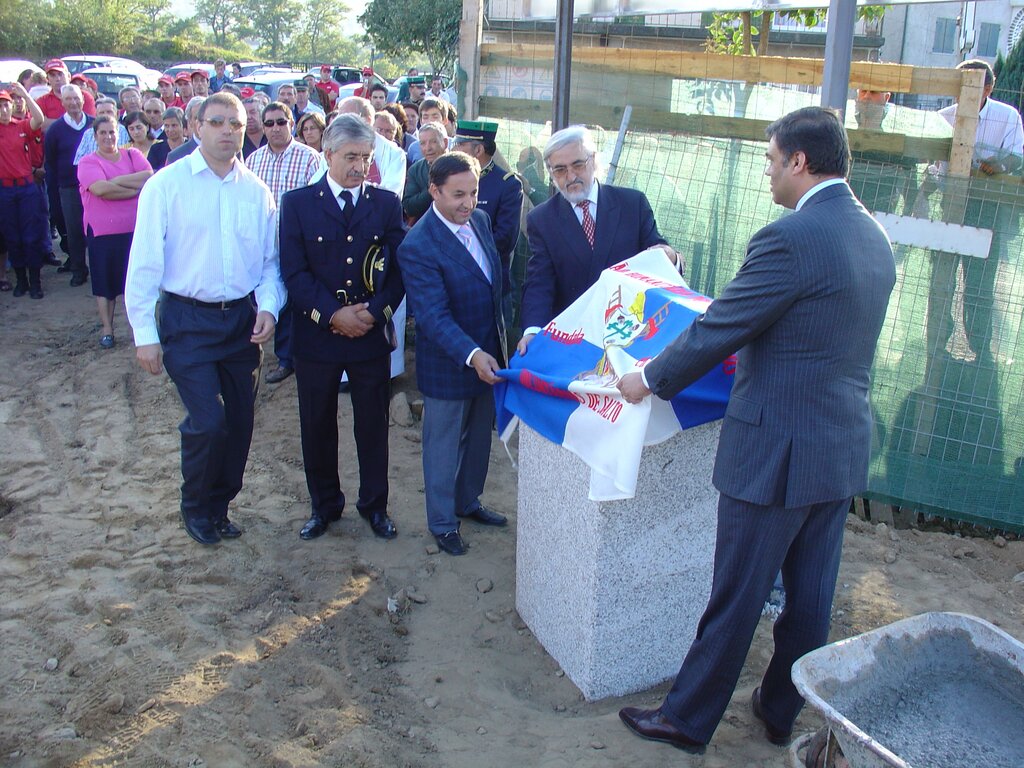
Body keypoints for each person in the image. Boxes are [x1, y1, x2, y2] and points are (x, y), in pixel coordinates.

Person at [614, 107, 896, 754]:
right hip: (839, 446)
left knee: (736, 593)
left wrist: (648, 378)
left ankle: (687, 720)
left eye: (772, 159)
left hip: (776, 450)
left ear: (799, 162)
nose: (767, 171)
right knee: (810, 599)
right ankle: (777, 707)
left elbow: (723, 326)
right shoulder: (871, 233)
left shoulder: (791, 237)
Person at [124, 92, 286, 546]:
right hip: (186, 322)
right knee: (208, 422)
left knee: (238, 424)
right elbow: (143, 265)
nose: (227, 131)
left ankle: (220, 506)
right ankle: (194, 506)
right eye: (217, 122)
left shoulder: (257, 192)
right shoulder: (166, 186)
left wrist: (270, 306)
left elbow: (271, 263)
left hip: (239, 323)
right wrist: (145, 335)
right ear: (197, 127)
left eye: (235, 124)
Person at [279, 114, 406, 541]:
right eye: (351, 157)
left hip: (369, 334)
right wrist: (332, 316)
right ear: (327, 154)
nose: (359, 166)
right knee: (316, 424)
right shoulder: (297, 204)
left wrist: (375, 312)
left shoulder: (385, 204)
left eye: (366, 158)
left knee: (372, 425)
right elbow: (293, 273)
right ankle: (324, 506)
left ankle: (375, 506)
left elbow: (399, 271)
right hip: (317, 337)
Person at [397, 152, 509, 556]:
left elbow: (495, 284)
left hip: (489, 357)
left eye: (473, 192)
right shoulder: (418, 244)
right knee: (443, 444)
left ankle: (468, 501)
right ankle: (443, 522)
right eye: (457, 194)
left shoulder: (479, 221)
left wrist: (495, 346)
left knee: (479, 437)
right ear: (433, 191)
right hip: (450, 361)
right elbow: (432, 316)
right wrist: (473, 353)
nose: (467, 202)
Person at [517, 125, 677, 353]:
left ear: (594, 160)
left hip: (632, 335)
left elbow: (658, 255)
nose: (571, 177)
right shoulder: (542, 220)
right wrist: (533, 331)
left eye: (578, 165)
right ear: (550, 174)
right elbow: (539, 282)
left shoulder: (632, 204)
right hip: (576, 339)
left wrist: (669, 255)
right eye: (560, 170)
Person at [925, 59, 1023, 367]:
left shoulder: (1007, 116)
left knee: (980, 280)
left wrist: (997, 165)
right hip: (950, 205)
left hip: (986, 209)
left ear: (988, 88)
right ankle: (937, 342)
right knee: (941, 277)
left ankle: (980, 348)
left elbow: (1016, 156)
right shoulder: (942, 117)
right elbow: (931, 164)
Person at [246, 101, 324, 385]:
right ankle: (268, 351)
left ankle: (289, 358)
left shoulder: (310, 158)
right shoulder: (253, 161)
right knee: (264, 297)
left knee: (295, 299)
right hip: (263, 241)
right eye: (269, 123)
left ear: (292, 124)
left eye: (281, 122)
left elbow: (316, 203)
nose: (275, 128)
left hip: (297, 242)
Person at [78, 115, 153, 347]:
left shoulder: (133, 155)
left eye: (112, 132)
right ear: (95, 135)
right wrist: (132, 190)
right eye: (103, 133)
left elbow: (149, 177)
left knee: (137, 281)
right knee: (105, 284)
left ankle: (139, 329)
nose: (109, 137)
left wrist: (116, 179)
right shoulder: (88, 162)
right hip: (103, 233)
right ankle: (108, 329)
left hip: (135, 230)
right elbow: (100, 189)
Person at [451, 120, 524, 321]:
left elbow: (504, 239)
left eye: (459, 144)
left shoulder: (507, 185)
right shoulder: (450, 179)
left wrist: (458, 250)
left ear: (478, 150)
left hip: (490, 282)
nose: (453, 148)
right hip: (453, 280)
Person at [0, 84, 47, 298]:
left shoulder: (20, 126)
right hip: (5, 190)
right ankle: (21, 280)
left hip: (27, 188)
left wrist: (25, 94)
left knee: (31, 236)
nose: (3, 110)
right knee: (13, 237)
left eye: (6, 105)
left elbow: (39, 119)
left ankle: (35, 282)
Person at [44, 83, 93, 287]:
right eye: (69, 99)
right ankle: (78, 269)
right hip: (69, 187)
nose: (73, 102)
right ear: (62, 102)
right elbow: (51, 162)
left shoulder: (93, 124)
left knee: (96, 229)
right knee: (74, 230)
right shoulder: (55, 130)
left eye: (76, 98)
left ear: (83, 100)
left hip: (95, 186)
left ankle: (97, 269)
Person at [402, 121, 447, 223]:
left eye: (433, 142)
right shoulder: (415, 170)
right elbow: (409, 207)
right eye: (422, 143)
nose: (428, 148)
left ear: (445, 142)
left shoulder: (459, 166)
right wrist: (431, 191)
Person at [37, 59, 96, 129]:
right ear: (47, 79)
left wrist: (51, 123)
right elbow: (39, 126)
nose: (57, 79)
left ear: (68, 76)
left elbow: (89, 124)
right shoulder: (42, 101)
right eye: (53, 75)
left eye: (60, 74)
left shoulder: (85, 97)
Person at [73, 97, 129, 166]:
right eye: (101, 113)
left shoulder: (125, 131)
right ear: (96, 115)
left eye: (109, 112)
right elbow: (78, 161)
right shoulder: (88, 133)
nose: (105, 115)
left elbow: (128, 159)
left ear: (117, 114)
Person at [166, 97, 205, 165]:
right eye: (197, 118)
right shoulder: (176, 156)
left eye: (206, 117)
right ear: (190, 122)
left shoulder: (224, 150)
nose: (202, 122)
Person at [149, 106, 185, 171]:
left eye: (174, 125)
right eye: (166, 126)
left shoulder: (191, 146)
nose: (170, 130)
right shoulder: (156, 149)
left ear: (182, 125)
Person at [242, 95, 267, 159]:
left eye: (253, 112)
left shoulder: (270, 136)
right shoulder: (238, 140)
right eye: (245, 113)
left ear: (261, 114)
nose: (249, 117)